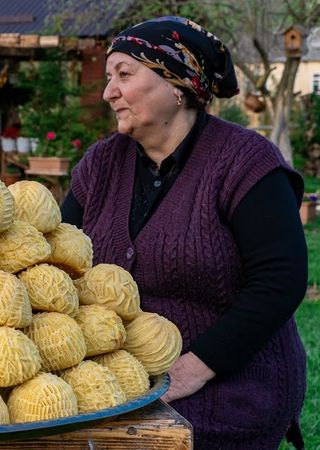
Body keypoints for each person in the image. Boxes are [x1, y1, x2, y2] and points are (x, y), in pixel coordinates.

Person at [61, 16, 307, 450]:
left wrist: (195, 367)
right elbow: (58, 255)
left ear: (178, 85)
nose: (108, 92)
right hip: (121, 381)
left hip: (229, 386)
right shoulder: (101, 165)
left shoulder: (244, 162)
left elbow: (279, 282)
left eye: (124, 75)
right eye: (108, 77)